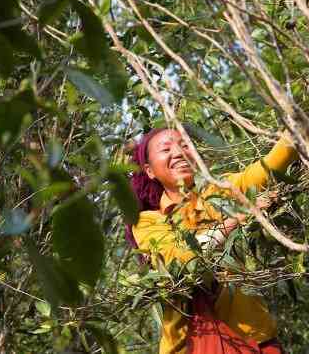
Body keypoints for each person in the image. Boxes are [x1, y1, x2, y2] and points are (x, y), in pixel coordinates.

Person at [125, 127, 298, 354]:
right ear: (149, 170)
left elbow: (262, 172)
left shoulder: (219, 191)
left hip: (255, 338)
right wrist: (237, 219)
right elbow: (183, 261)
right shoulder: (147, 221)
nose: (178, 152)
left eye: (185, 145)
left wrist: (294, 132)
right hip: (190, 346)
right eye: (166, 149)